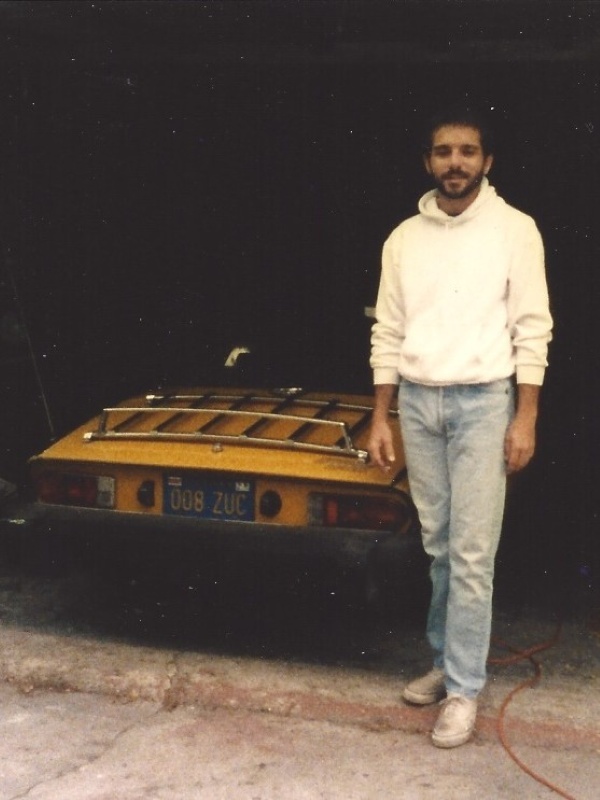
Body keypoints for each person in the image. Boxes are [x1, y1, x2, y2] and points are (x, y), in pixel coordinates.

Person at [367, 108, 553, 748]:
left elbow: (533, 327)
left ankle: (465, 690)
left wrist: (524, 415)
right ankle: (447, 664)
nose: (456, 163)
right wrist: (380, 415)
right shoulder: (403, 238)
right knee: (440, 546)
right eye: (443, 152)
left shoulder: (515, 230)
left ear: (487, 161)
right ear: (428, 162)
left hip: (482, 404)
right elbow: (387, 329)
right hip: (418, 404)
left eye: (468, 152)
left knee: (473, 554)